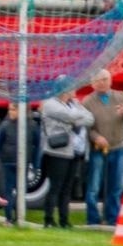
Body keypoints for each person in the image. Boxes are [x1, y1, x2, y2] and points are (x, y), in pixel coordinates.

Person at [82, 69, 123, 226]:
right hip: (98, 149)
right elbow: (86, 127)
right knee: (94, 186)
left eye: (105, 79)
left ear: (110, 80)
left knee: (115, 186)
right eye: (98, 80)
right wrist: (96, 137)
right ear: (92, 84)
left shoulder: (120, 96)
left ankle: (112, 218)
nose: (102, 83)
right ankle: (93, 219)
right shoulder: (87, 101)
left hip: (118, 147)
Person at [39, 88, 94, 229]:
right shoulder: (50, 103)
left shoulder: (75, 103)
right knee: (55, 186)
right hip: (57, 151)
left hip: (74, 152)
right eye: (72, 87)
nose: (75, 90)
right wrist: (76, 118)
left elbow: (90, 118)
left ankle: (64, 220)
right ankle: (49, 219)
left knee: (67, 188)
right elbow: (69, 117)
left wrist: (76, 118)